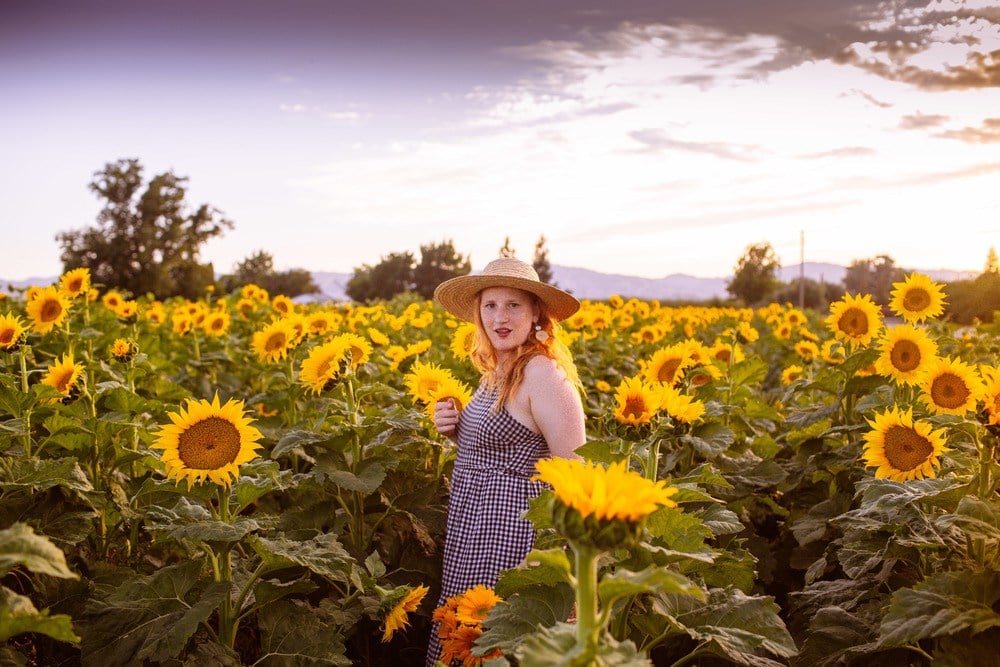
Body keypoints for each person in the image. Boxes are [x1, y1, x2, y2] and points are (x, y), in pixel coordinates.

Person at [426, 256, 586, 666]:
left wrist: (554, 566)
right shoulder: (497, 370)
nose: (501, 316)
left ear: (536, 313)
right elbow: (499, 446)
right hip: (471, 536)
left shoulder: (543, 375)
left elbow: (575, 476)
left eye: (514, 305)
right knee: (468, 641)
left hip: (515, 541)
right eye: (490, 305)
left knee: (501, 645)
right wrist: (455, 429)